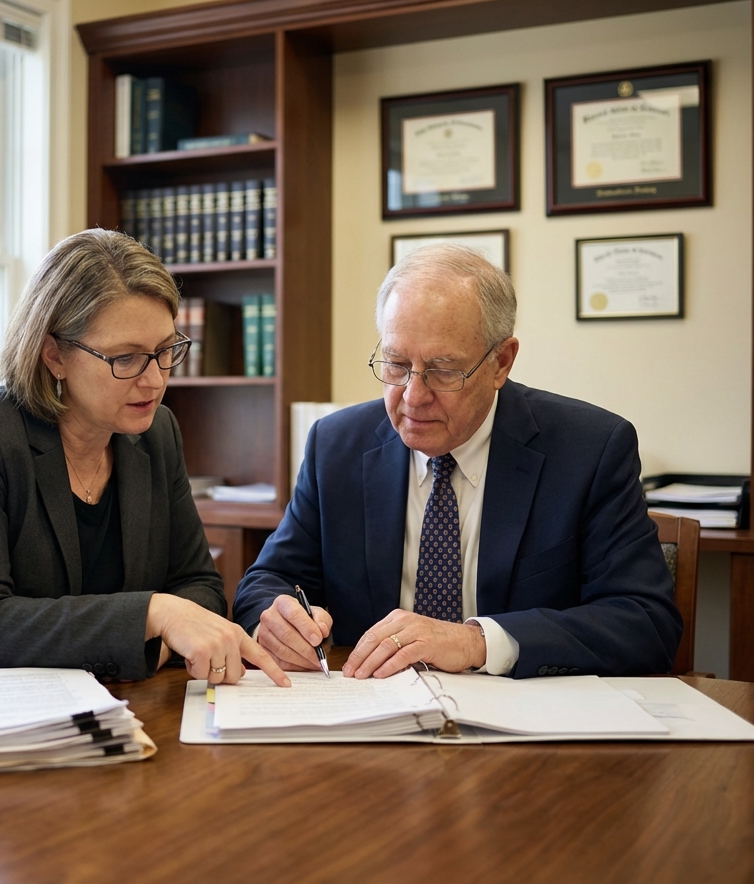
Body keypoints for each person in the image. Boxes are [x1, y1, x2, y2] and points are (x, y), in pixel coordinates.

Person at [0, 229, 289, 702]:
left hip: (75, 710)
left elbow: (198, 587)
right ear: (54, 354)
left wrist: (151, 635)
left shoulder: (157, 434)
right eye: (127, 358)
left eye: (165, 351)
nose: (156, 379)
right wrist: (153, 616)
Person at [232, 244, 681, 681]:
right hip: (369, 719)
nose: (413, 395)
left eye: (444, 370)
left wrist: (475, 642)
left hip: (526, 729)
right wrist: (278, 620)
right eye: (395, 363)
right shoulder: (337, 446)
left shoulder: (590, 449)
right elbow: (268, 581)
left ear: (501, 362)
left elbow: (645, 622)